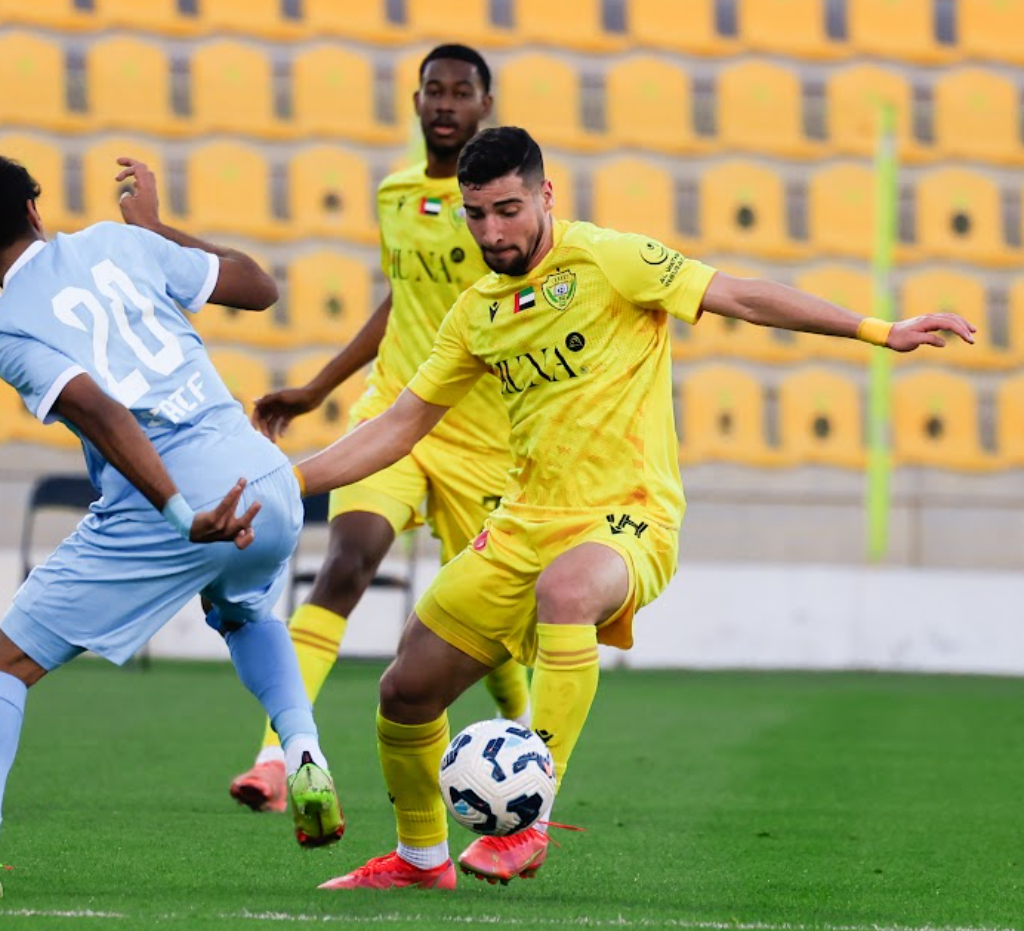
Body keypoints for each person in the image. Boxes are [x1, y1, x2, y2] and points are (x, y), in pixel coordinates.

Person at [294, 126, 976, 890]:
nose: (492, 232)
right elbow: (395, 426)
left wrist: (879, 331)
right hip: (522, 523)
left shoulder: (610, 259)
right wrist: (286, 484)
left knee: (568, 591)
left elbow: (743, 296)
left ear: (546, 194)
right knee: (405, 690)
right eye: (475, 214)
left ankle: (531, 820)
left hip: (628, 515)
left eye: (508, 210)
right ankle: (422, 861)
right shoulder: (476, 312)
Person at [0, 153, 343, 900]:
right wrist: (155, 227)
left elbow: (102, 409)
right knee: (243, 611)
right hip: (263, 473)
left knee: (0, 665)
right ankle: (304, 751)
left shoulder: (5, 331)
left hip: (176, 494)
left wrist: (181, 513)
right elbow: (259, 286)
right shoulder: (118, 241)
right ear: (34, 208)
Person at [230, 44, 530, 813]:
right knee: (347, 563)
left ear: (484, 106)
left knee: (480, 610)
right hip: (393, 412)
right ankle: (278, 757)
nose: (446, 103)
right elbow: (399, 303)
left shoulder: (500, 211)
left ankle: (523, 734)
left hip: (483, 436)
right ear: (417, 99)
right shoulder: (397, 194)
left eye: (462, 92)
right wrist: (317, 389)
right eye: (434, 90)